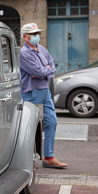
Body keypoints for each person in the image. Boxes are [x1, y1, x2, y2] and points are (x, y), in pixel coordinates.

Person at [19, 23, 67, 169]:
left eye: (37, 33)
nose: (36, 36)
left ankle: (48, 157)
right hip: (32, 92)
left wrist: (43, 71)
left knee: (51, 122)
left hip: (44, 90)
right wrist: (43, 71)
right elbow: (40, 71)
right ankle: (29, 159)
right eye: (33, 34)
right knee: (31, 127)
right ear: (24, 37)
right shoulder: (24, 53)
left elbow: (52, 67)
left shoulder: (41, 49)